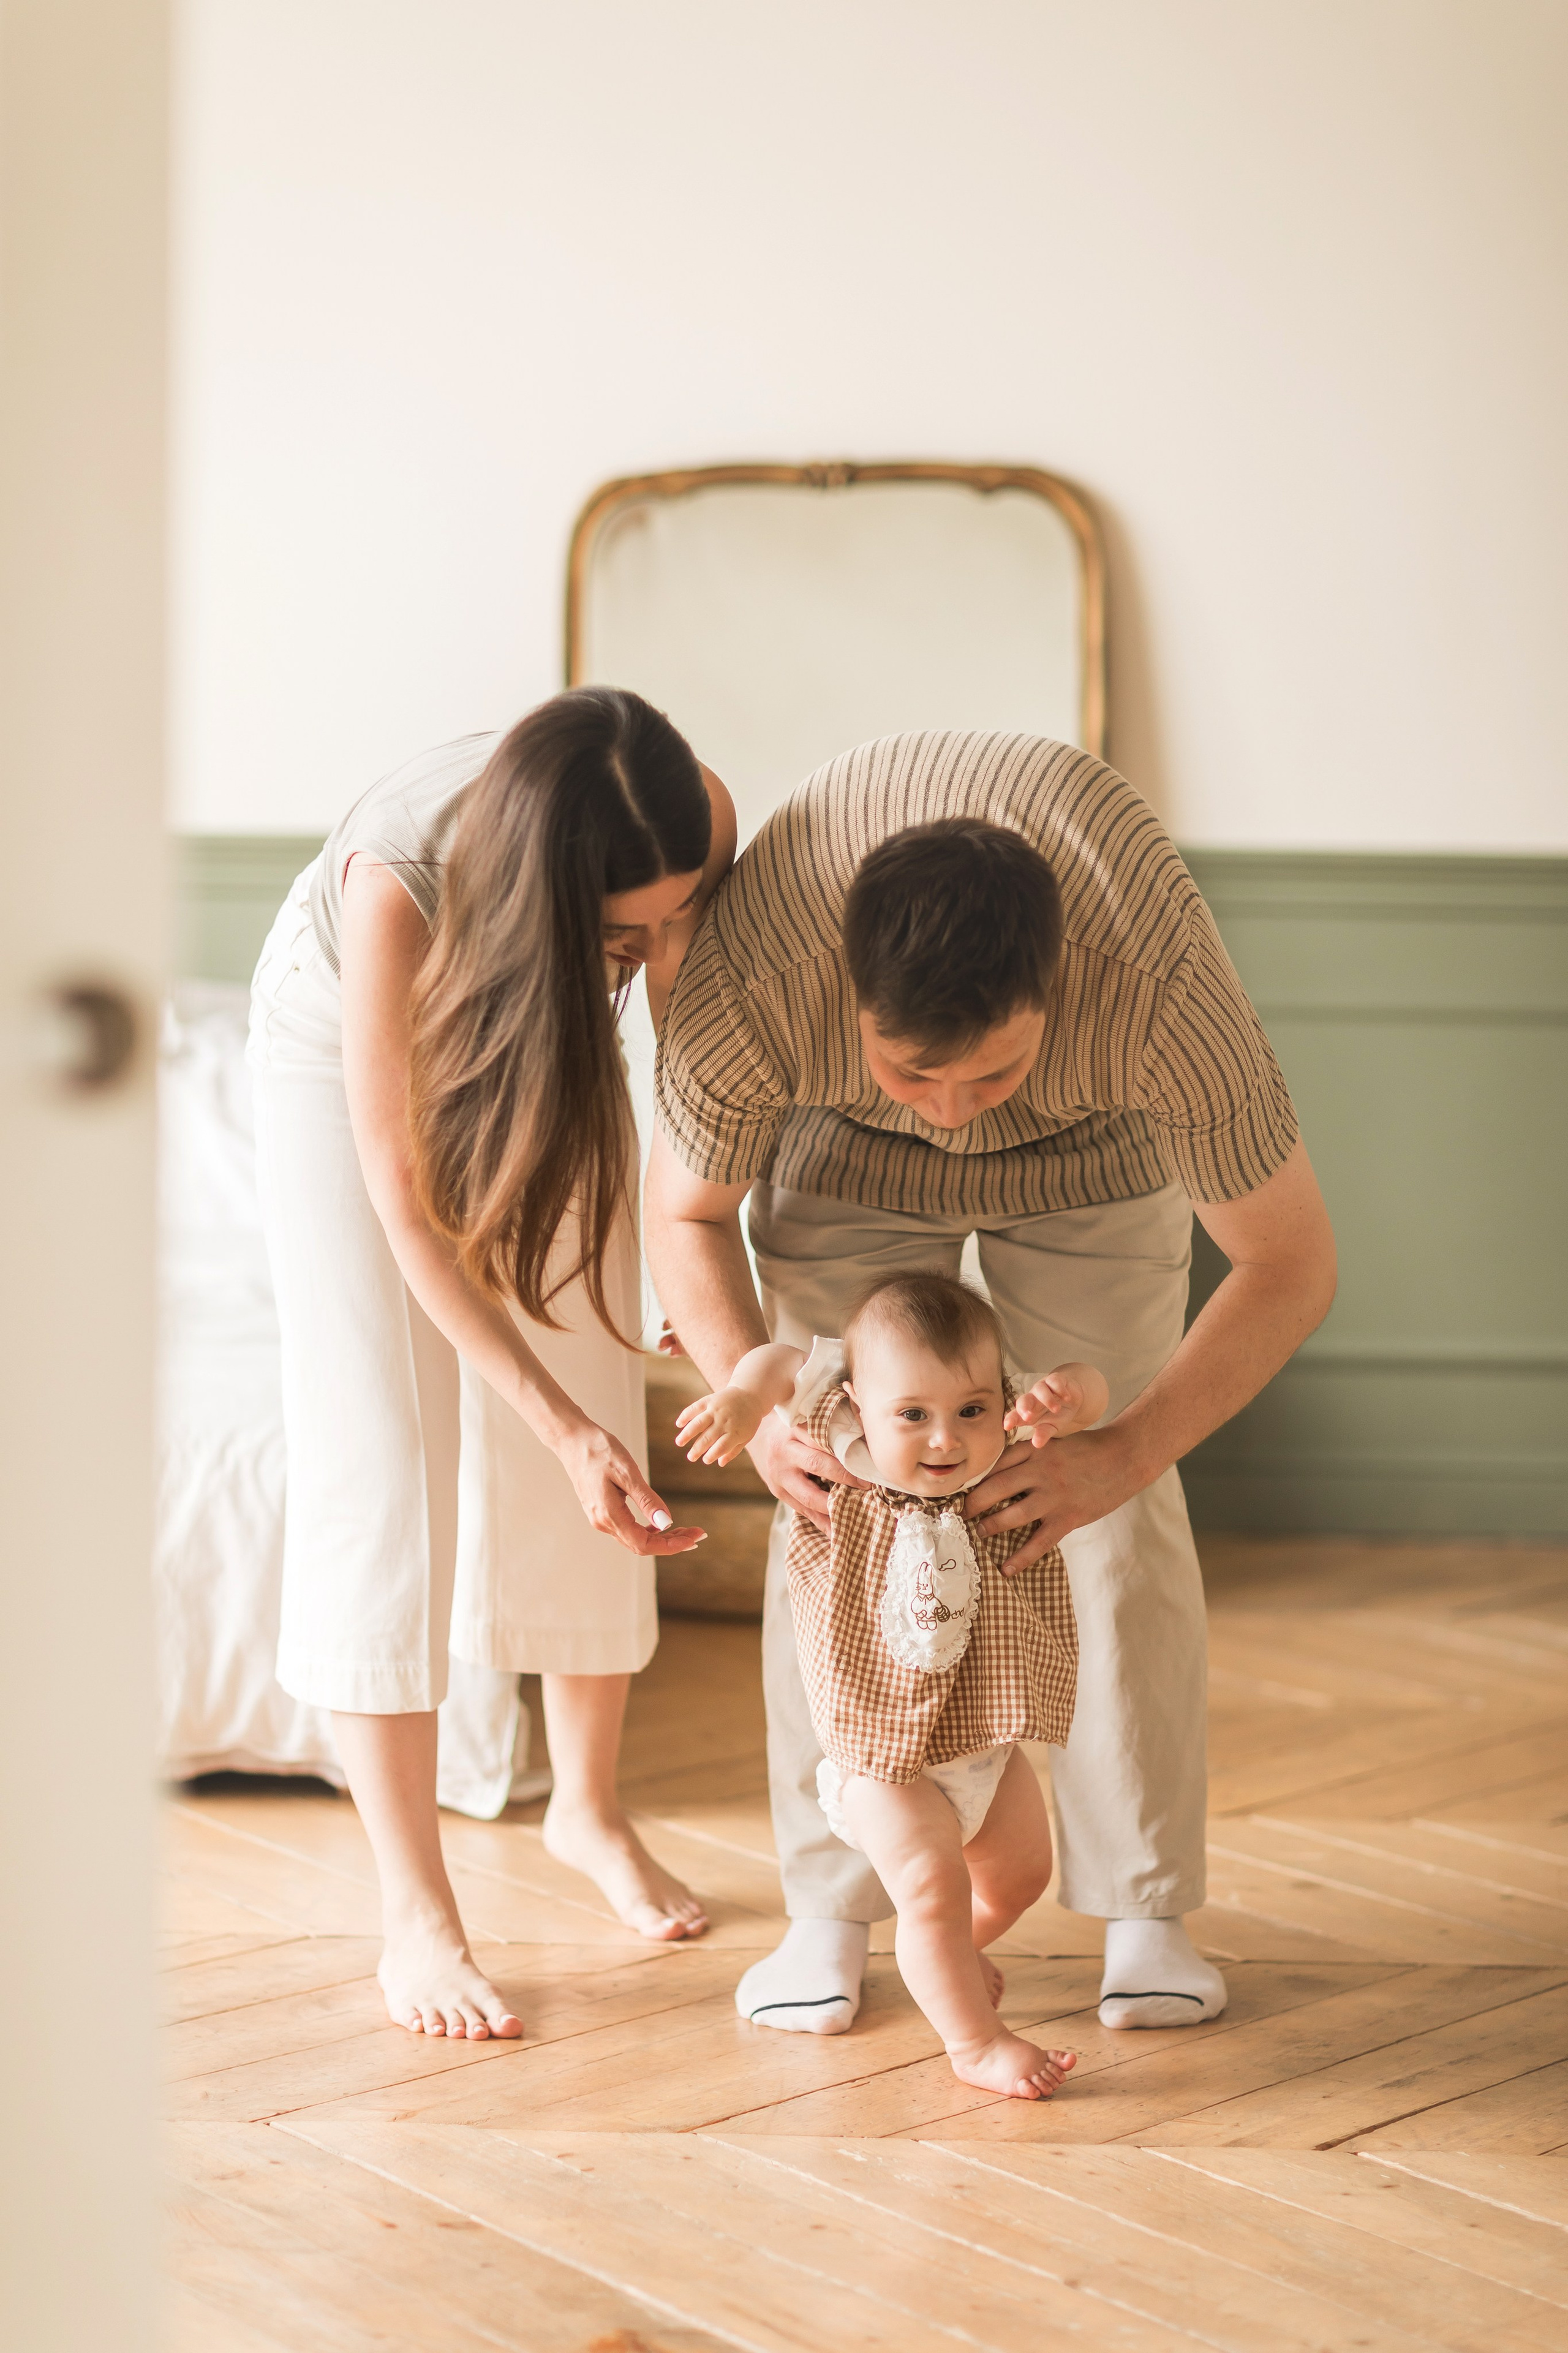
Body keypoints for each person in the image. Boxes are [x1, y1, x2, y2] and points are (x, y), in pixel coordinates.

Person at [645, 730, 1336, 2036]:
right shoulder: (759, 976)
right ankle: (831, 1905)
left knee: (1109, 1494)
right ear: (845, 1001)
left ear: (1059, 993)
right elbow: (682, 1217)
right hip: (838, 1163)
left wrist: (1122, 1450)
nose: (953, 1111)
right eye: (917, 1070)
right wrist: (770, 1407)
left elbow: (1291, 1264)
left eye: (991, 1070)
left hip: (1092, 1162)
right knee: (834, 1505)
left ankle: (1143, 1904)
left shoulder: (1155, 988)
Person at [247, 687, 736, 2040]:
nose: (645, 951)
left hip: (541, 1031)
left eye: (659, 927)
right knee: (385, 1458)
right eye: (619, 934)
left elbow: (688, 1077)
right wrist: (544, 1419)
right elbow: (406, 1208)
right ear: (545, 898)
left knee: (596, 1381)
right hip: (342, 1050)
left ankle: (585, 1808)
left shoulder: (689, 821)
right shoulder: (397, 883)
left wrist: (686, 1286)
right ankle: (416, 1912)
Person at [677, 1269, 1100, 2098]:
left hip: (980, 1738)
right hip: (884, 1754)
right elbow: (776, 1359)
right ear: (860, 1402)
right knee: (931, 1886)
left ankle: (944, 1954)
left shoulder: (1002, 1445)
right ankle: (973, 2041)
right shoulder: (840, 1452)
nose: (946, 1439)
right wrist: (739, 1398)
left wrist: (1067, 1398)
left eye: (971, 1410)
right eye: (913, 1415)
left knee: (1018, 1876)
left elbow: (1092, 1382)